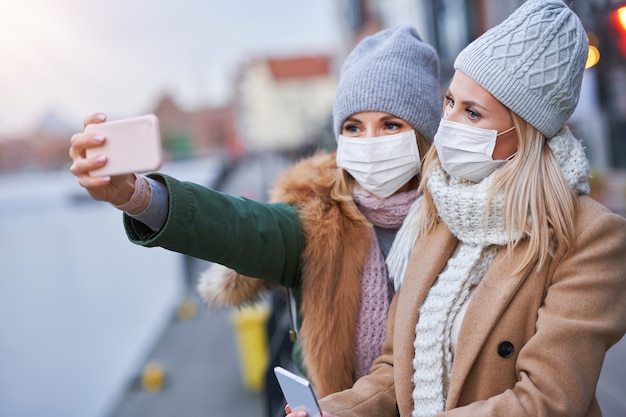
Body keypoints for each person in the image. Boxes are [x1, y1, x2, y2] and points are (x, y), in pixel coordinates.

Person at [286, 1, 626, 416]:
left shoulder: (591, 238)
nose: (448, 123)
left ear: (524, 130)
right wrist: (329, 412)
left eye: (472, 113)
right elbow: (395, 369)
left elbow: (548, 400)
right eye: (450, 102)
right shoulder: (439, 211)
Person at [68, 26, 442, 398]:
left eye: (390, 125)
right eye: (354, 127)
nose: (370, 143)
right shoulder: (318, 217)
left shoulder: (459, 219)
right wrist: (138, 196)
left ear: (423, 134)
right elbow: (238, 226)